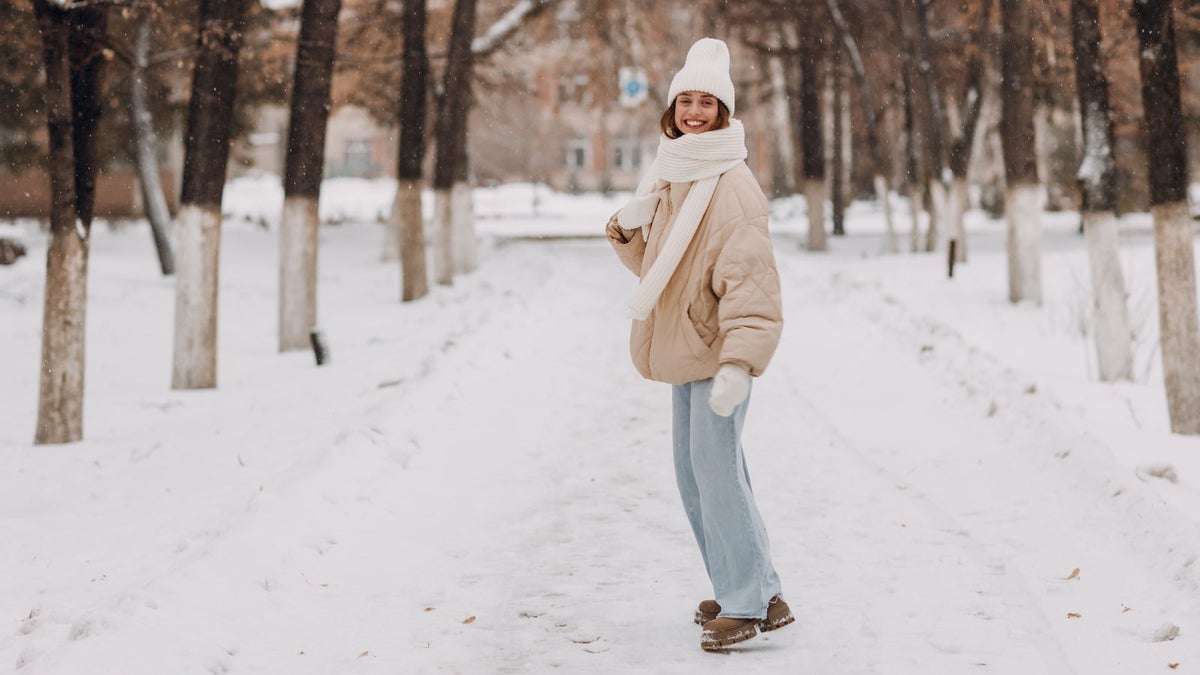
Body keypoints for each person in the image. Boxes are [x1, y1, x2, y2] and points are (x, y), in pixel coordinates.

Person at [605, 37, 791, 651]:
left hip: (717, 353)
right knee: (698, 476)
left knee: (716, 475)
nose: (693, 111)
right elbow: (663, 271)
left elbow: (751, 285)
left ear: (723, 111)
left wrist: (740, 362)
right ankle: (759, 588)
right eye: (685, 100)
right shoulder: (673, 172)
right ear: (672, 108)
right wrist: (630, 231)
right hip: (688, 345)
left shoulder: (732, 185)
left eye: (706, 102)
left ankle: (745, 603)